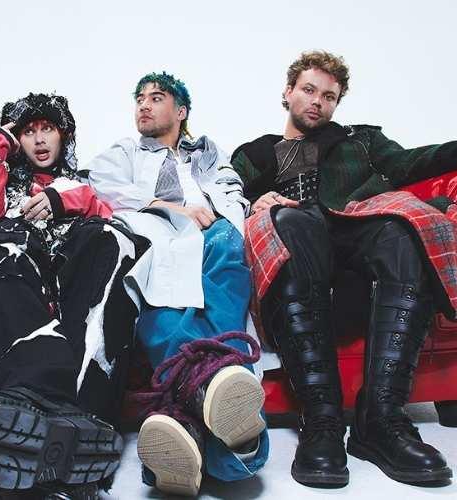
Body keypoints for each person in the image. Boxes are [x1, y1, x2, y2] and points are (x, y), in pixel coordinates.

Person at [230, 50, 457, 487]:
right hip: (298, 238)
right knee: (289, 219)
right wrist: (256, 201)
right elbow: (223, 193)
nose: (317, 101)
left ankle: (381, 420)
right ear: (288, 92)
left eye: (328, 96)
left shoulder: (360, 141)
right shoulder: (255, 154)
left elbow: (408, 162)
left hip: (354, 225)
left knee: (403, 227)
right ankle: (322, 421)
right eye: (309, 90)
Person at [0, 93, 145, 499]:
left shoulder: (77, 184)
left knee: (111, 240)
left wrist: (62, 200)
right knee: (5, 247)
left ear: (63, 135)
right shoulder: (3, 180)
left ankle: (81, 425)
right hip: (16, 275)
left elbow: (103, 212)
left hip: (67, 280)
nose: (39, 139)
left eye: (47, 128)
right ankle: (8, 413)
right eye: (27, 132)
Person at [81, 72, 269, 497]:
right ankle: (237, 450)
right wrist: (168, 207)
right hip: (156, 235)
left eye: (156, 97)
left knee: (226, 248)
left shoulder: (208, 152)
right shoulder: (125, 153)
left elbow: (230, 186)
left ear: (181, 111)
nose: (144, 105)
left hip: (211, 235)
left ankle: (186, 415)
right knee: (158, 288)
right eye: (140, 99)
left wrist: (218, 212)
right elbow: (102, 185)